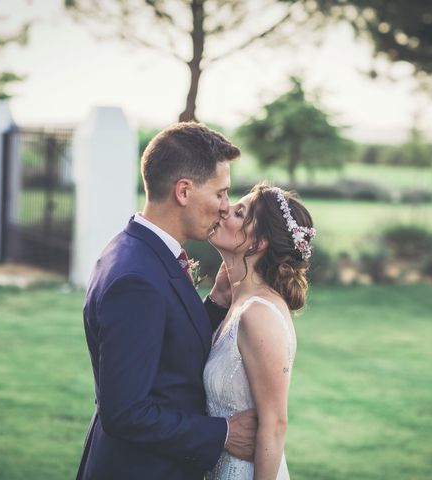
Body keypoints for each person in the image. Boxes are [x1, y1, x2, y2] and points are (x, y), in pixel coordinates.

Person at [76, 123, 258, 480]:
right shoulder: (137, 279)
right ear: (184, 191)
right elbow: (126, 412)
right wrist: (223, 433)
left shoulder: (141, 249)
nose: (225, 207)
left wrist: (218, 301)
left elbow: (169, 351)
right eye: (220, 193)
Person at [205, 182, 316, 479]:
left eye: (239, 213)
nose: (225, 210)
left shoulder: (258, 315)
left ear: (259, 243)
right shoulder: (235, 304)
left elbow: (275, 424)